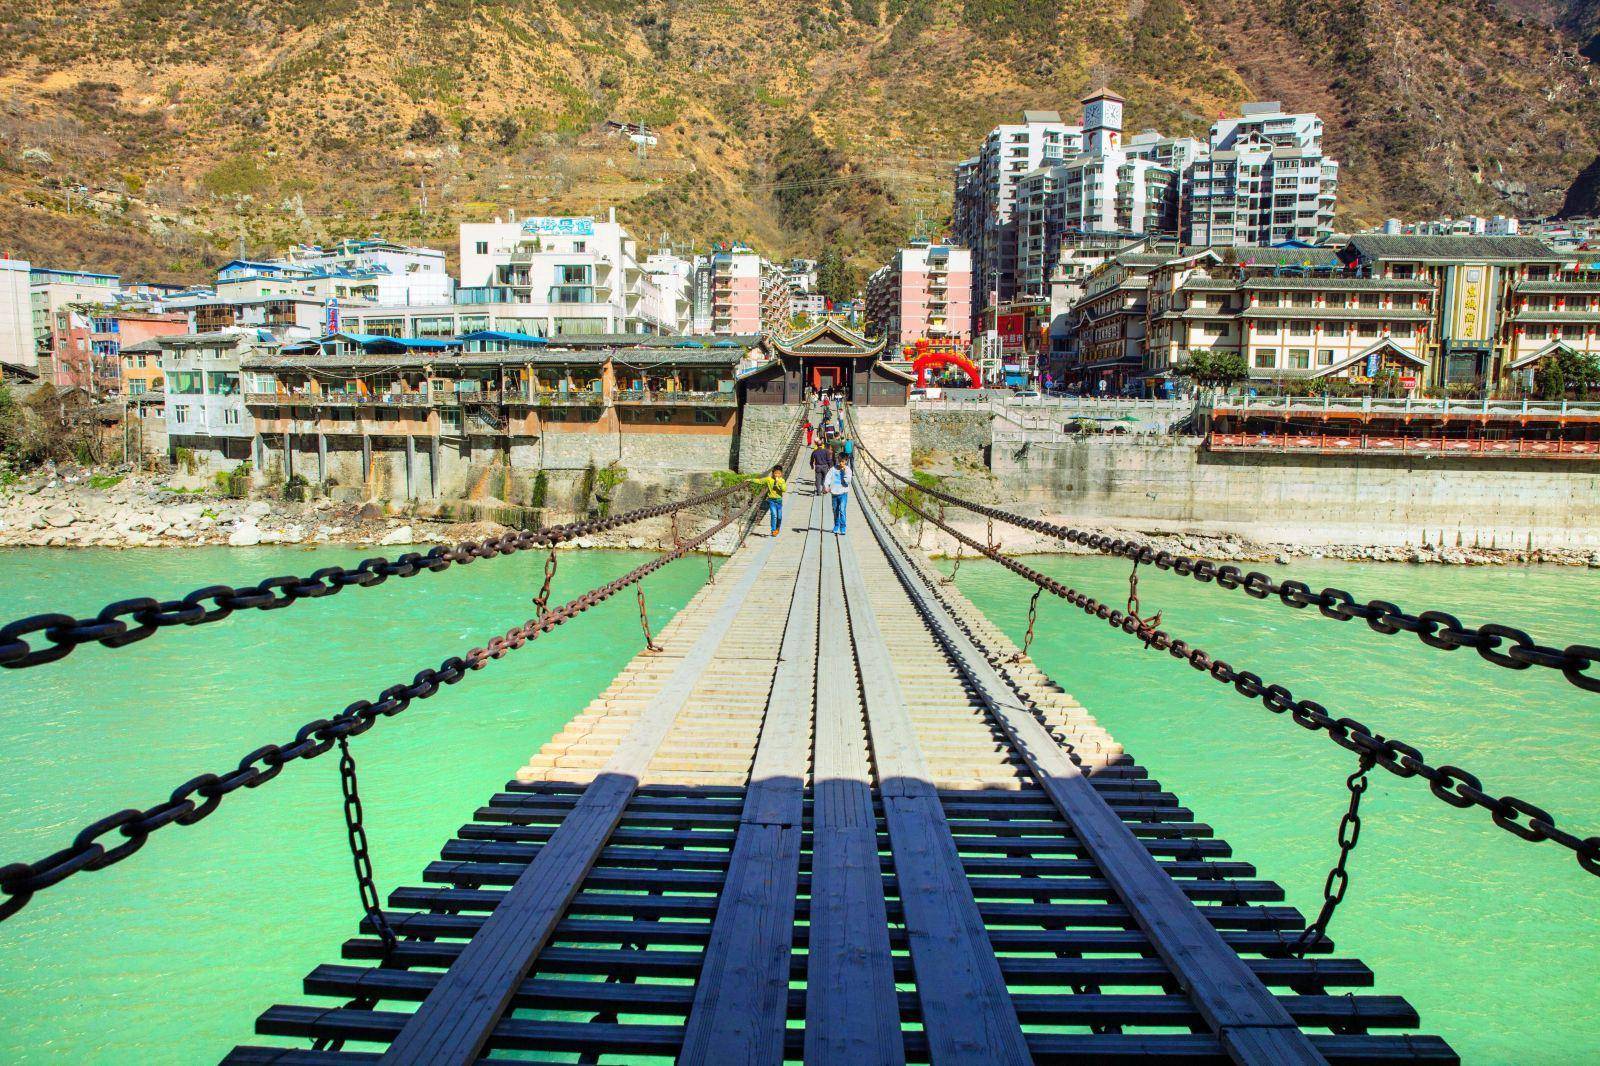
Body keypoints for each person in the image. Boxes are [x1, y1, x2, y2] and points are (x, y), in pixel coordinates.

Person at [824, 455, 852, 536]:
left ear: (846, 461)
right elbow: (827, 478)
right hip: (834, 493)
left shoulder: (848, 470)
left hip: (843, 493)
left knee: (842, 510)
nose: (840, 463)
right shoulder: (833, 469)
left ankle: (843, 527)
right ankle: (836, 525)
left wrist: (843, 472)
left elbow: (847, 481)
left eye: (842, 461)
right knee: (835, 510)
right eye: (839, 461)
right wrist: (826, 486)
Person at [755, 464, 786, 535]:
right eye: (775, 473)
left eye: (779, 473)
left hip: (779, 501)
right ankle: (773, 530)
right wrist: (750, 480)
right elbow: (760, 481)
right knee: (774, 515)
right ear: (773, 473)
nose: (777, 475)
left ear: (781, 474)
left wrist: (778, 483)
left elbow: (784, 489)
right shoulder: (769, 479)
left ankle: (778, 528)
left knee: (779, 516)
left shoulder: (782, 480)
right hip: (771, 500)